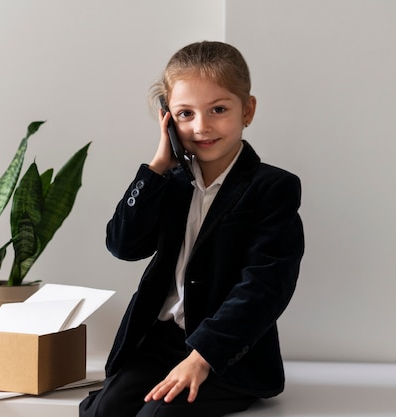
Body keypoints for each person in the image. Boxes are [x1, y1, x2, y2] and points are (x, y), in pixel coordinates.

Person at [80, 41, 304, 417]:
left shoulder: (272, 188)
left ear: (247, 110)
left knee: (157, 415)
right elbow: (123, 245)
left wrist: (202, 357)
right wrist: (156, 168)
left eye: (218, 109)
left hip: (225, 353)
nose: (201, 126)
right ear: (167, 118)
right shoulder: (169, 183)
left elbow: (265, 287)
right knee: (103, 411)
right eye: (185, 114)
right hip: (160, 344)